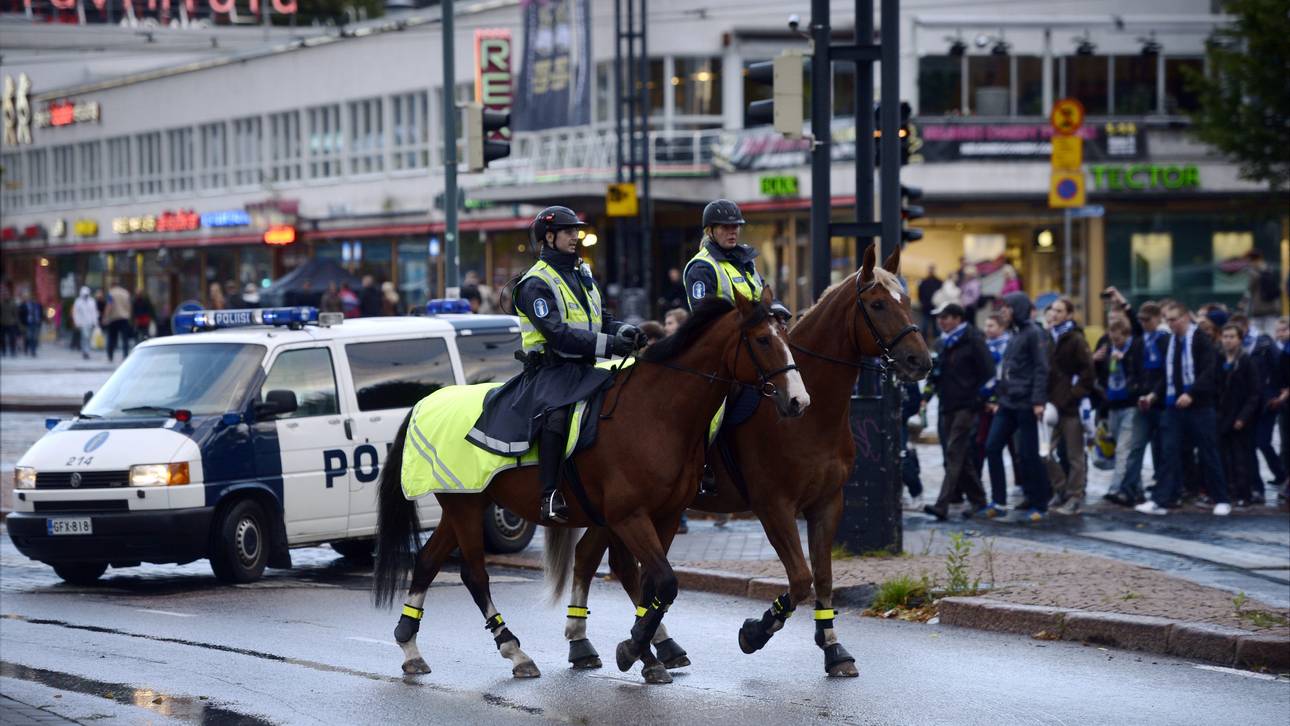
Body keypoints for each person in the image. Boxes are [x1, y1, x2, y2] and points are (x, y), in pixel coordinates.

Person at [468, 206, 640, 523]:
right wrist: (610, 344)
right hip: (551, 371)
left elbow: (604, 319)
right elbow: (558, 335)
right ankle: (548, 495)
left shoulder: (582, 274)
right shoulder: (535, 284)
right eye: (568, 232)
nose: (575, 236)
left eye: (576, 231)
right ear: (549, 237)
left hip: (585, 368)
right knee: (556, 419)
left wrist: (624, 331)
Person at [683, 199, 789, 497]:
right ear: (710, 230)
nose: (733, 232)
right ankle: (702, 467)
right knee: (713, 410)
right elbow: (703, 314)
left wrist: (778, 309)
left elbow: (763, 295)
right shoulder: (702, 267)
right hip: (717, 357)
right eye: (726, 227)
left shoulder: (745, 262)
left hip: (751, 350)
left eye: (736, 227)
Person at [1136, 302, 1231, 516]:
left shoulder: (1200, 339)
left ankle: (1222, 499)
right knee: (1169, 452)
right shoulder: (1172, 342)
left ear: (1185, 318)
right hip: (1173, 406)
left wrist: (1192, 393)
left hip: (1200, 406)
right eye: (1167, 320)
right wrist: (1153, 395)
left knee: (1208, 452)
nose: (1170, 324)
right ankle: (1160, 500)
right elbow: (1168, 375)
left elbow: (1209, 372)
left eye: (1174, 319)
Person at [983, 292, 1052, 522]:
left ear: (1018, 309)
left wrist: (1038, 401)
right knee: (992, 447)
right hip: (1007, 402)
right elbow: (1007, 370)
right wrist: (998, 397)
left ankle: (1040, 504)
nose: (1004, 311)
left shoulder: (1033, 333)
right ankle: (999, 501)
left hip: (1026, 403)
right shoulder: (1015, 334)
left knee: (1028, 454)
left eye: (1008, 307)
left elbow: (1042, 368)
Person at [923, 303, 996, 520]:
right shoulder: (941, 343)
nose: (941, 322)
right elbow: (935, 374)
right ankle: (979, 500)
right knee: (960, 457)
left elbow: (990, 373)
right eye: (938, 318)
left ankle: (941, 505)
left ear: (958, 318)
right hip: (947, 406)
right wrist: (926, 397)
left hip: (966, 406)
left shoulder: (973, 339)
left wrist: (979, 400)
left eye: (945, 317)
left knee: (954, 453)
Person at [1045, 297, 1096, 515]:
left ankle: (1074, 496)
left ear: (1068, 314)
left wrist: (1072, 395)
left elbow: (1088, 373)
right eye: (1052, 310)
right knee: (1044, 452)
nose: (1054, 314)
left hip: (1071, 406)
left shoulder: (1075, 339)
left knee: (1075, 455)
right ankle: (1061, 489)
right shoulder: (1047, 337)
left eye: (1059, 311)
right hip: (1050, 405)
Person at [1230, 313, 1284, 503]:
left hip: (1267, 401)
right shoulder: (1237, 348)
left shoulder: (1264, 344)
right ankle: (1257, 487)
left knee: (1262, 441)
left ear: (1245, 326)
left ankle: (1281, 474)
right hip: (1249, 403)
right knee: (1250, 445)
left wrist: (1278, 393)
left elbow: (1280, 367)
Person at [1094, 317, 1148, 506]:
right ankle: (1136, 487)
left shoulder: (1134, 348)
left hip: (1130, 404)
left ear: (1126, 335)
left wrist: (1123, 361)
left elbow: (1139, 374)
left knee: (1124, 448)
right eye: (1112, 339)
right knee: (1123, 450)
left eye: (1118, 339)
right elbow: (1103, 374)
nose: (1115, 343)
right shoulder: (1109, 348)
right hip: (1113, 404)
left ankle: (1117, 488)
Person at [1216, 324, 1261, 507]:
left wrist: (1243, 417)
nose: (1228, 340)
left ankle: (1245, 493)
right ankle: (1230, 491)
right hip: (1222, 416)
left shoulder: (1246, 360)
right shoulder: (1219, 359)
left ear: (1239, 339)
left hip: (1240, 416)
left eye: (1231, 336)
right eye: (1225, 336)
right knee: (1224, 456)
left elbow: (1254, 393)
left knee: (1241, 457)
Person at [1242, 250, 1281, 333]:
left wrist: (1244, 302)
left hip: (1259, 308)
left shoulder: (1253, 273)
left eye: (1249, 260)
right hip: (1272, 306)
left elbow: (1250, 289)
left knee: (1257, 334)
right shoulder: (1269, 269)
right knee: (1271, 333)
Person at [102, 282, 133, 362]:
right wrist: (129, 315)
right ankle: (125, 355)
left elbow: (109, 305)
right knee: (125, 339)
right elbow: (129, 306)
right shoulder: (126, 293)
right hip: (124, 318)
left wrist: (105, 317)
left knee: (111, 338)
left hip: (113, 318)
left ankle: (110, 356)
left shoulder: (111, 293)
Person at [72, 286, 98, 360]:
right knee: (85, 337)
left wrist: (95, 322)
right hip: (82, 323)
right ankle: (85, 352)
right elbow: (76, 313)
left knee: (88, 337)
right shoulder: (78, 301)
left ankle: (87, 351)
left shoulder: (92, 301)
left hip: (90, 322)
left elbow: (94, 312)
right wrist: (77, 322)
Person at [917, 265, 943, 341]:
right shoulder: (924, 282)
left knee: (936, 327)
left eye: (932, 270)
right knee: (924, 326)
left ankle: (938, 343)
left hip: (936, 308)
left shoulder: (939, 282)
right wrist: (922, 302)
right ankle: (924, 342)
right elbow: (920, 294)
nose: (931, 271)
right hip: (926, 307)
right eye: (930, 270)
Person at [17, 290, 42, 357]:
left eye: (34, 298)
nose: (33, 299)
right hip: (28, 324)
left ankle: (33, 351)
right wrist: (21, 323)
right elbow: (20, 314)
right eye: (32, 297)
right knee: (29, 337)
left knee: (35, 338)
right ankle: (27, 349)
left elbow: (41, 314)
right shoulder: (24, 305)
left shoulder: (38, 305)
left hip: (36, 323)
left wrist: (41, 321)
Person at [0, 283, 19, 357]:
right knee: (2, 339)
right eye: (4, 295)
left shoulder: (13, 303)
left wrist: (16, 323)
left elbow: (15, 314)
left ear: (9, 295)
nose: (6, 296)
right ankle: (3, 351)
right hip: (2, 323)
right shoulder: (1, 304)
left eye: (7, 294)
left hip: (11, 323)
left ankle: (13, 351)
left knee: (12, 339)